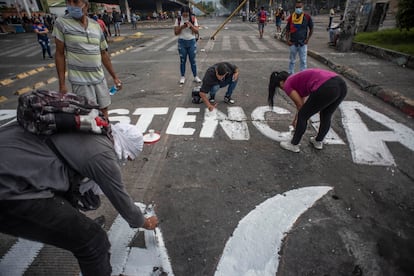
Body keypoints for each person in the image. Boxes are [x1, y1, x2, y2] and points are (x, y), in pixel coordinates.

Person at [0, 122, 158, 275]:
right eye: (129, 157)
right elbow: (122, 201)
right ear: (126, 147)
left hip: (12, 154)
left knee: (79, 204)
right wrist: (143, 222)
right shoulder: (102, 156)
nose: (127, 161)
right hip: (9, 184)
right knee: (94, 240)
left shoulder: (93, 131)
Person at [53, 0, 122, 119]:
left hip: (99, 78)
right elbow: (59, 54)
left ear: (86, 5)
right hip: (80, 81)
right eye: (69, 2)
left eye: (75, 2)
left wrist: (115, 77)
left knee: (104, 111)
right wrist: (62, 84)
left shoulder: (95, 25)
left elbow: (103, 54)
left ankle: (106, 134)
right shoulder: (61, 23)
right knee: (88, 116)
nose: (72, 6)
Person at [268, 68, 347, 153]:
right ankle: (318, 141)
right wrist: (296, 120)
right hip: (341, 85)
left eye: (280, 87)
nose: (283, 90)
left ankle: (294, 145)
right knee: (326, 114)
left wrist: (297, 120)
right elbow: (301, 104)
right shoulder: (298, 80)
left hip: (327, 86)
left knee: (303, 115)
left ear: (281, 82)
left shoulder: (287, 84)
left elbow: (300, 106)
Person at [174, 6, 201, 85]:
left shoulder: (193, 18)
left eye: (186, 14)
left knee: (193, 61)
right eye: (183, 14)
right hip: (182, 42)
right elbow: (175, 33)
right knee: (183, 61)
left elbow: (196, 31)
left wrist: (190, 25)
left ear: (189, 13)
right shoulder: (178, 19)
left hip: (191, 41)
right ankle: (182, 77)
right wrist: (182, 27)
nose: (185, 16)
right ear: (181, 13)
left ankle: (195, 76)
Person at [285, 0, 313, 74]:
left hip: (303, 43)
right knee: (291, 61)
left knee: (303, 61)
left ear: (302, 7)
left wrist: (307, 39)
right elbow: (287, 29)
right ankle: (291, 75)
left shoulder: (307, 17)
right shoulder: (291, 17)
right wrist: (287, 40)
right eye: (297, 7)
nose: (298, 9)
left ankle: (303, 76)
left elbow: (311, 29)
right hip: (293, 43)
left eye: (299, 7)